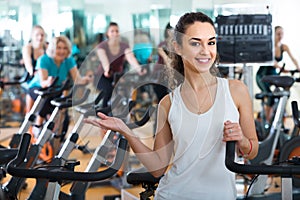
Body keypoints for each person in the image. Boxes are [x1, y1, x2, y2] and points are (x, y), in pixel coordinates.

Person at [85, 12, 258, 199]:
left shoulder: (236, 91)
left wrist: (240, 140)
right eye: (195, 43)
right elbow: (158, 167)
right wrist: (125, 130)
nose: (206, 51)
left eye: (211, 42)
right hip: (174, 194)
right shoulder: (168, 103)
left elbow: (253, 150)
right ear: (178, 47)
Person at [27, 35, 91, 132]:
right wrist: (48, 82)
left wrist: (87, 79)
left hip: (56, 90)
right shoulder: (43, 60)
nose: (62, 51)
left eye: (65, 48)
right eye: (59, 48)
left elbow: (78, 79)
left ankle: (58, 138)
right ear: (53, 48)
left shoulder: (69, 61)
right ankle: (37, 128)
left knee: (63, 112)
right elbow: (43, 83)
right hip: (38, 88)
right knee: (47, 100)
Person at [95, 22, 146, 107]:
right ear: (107, 33)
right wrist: (107, 70)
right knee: (109, 90)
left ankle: (126, 110)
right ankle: (103, 113)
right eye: (112, 31)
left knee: (128, 89)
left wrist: (139, 69)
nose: (115, 33)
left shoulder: (124, 46)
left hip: (118, 76)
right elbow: (104, 61)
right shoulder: (102, 46)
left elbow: (131, 58)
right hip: (103, 76)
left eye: (117, 31)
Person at [256, 26, 300, 122]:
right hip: (262, 76)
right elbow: (273, 62)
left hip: (274, 74)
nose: (280, 36)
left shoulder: (284, 47)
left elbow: (293, 58)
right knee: (270, 96)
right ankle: (267, 122)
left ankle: (278, 121)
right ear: (274, 35)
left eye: (282, 34)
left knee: (282, 95)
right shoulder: (269, 46)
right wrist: (281, 69)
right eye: (278, 34)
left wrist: (298, 67)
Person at [21, 25, 48, 113]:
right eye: (37, 35)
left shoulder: (47, 47)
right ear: (32, 36)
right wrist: (32, 71)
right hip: (30, 78)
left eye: (42, 35)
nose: (40, 37)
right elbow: (28, 63)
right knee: (31, 92)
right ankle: (29, 118)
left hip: (45, 78)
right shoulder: (28, 48)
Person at [153, 22, 173, 103]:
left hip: (169, 75)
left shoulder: (177, 46)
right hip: (159, 76)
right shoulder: (161, 45)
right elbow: (168, 62)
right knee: (162, 100)